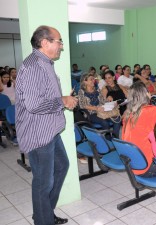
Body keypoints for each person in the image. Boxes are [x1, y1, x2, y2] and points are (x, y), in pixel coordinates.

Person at [15, 25, 78, 225]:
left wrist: (64, 99)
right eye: (58, 41)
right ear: (44, 43)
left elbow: (45, 97)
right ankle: (43, 221)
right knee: (43, 183)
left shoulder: (45, 63)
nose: (61, 46)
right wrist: (62, 101)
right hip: (38, 133)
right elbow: (33, 105)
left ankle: (44, 213)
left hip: (49, 130)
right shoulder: (33, 66)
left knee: (61, 166)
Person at [122, 81, 156, 177]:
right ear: (146, 94)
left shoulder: (126, 114)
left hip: (132, 165)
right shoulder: (152, 110)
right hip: (146, 167)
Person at [78, 72, 121, 138]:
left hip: (102, 111)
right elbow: (82, 105)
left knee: (117, 118)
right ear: (85, 81)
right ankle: (108, 140)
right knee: (104, 123)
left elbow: (103, 101)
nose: (94, 81)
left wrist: (109, 100)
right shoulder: (81, 91)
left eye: (94, 79)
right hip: (91, 113)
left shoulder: (97, 89)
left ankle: (115, 139)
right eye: (91, 79)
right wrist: (96, 108)